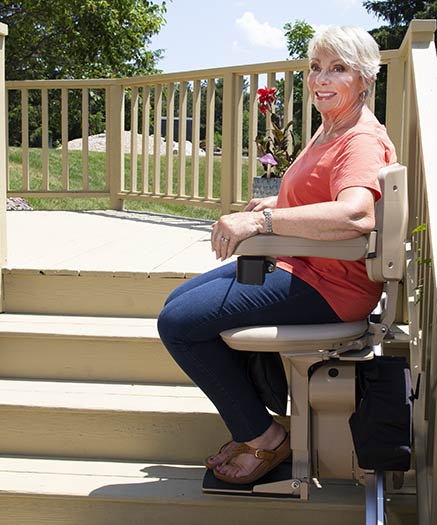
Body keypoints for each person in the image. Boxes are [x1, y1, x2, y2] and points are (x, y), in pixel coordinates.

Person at [156, 25, 396, 486]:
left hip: (329, 285)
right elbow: (319, 197)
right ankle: (256, 417)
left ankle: (263, 435)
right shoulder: (330, 128)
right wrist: (277, 205)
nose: (321, 79)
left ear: (365, 78)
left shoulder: (359, 139)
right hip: (299, 265)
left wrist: (261, 223)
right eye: (315, 68)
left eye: (338, 69)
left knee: (178, 326)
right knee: (176, 304)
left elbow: (355, 214)